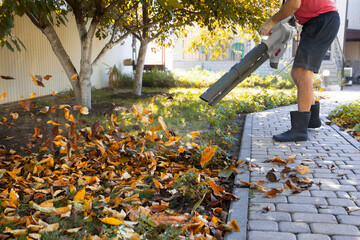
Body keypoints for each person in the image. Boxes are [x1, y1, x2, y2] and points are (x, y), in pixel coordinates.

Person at [259, 0, 340, 142]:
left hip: (321, 20)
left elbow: (293, 5)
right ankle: (312, 119)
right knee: (299, 74)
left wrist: (270, 22)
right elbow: (292, 9)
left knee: (301, 72)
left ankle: (299, 130)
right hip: (319, 21)